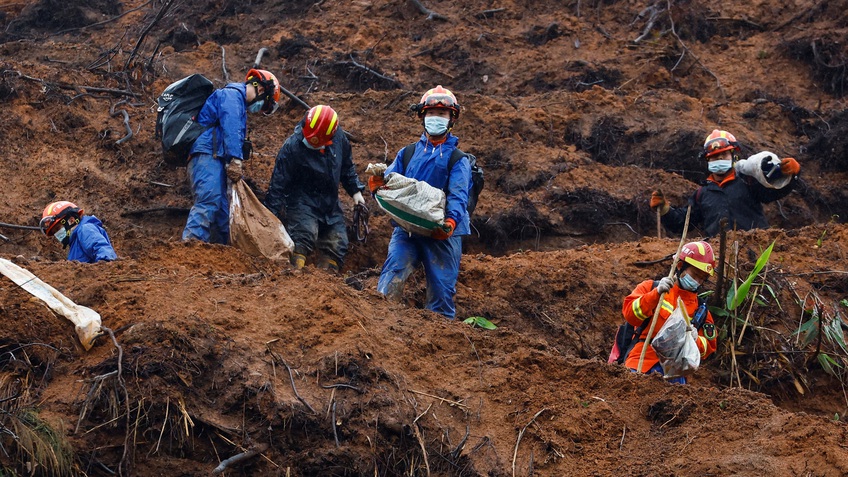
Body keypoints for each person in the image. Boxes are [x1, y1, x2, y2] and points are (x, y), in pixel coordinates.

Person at [371, 85, 472, 319]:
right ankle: (382, 325)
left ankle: (439, 339)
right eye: (431, 113)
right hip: (408, 230)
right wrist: (378, 185)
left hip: (443, 233)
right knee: (392, 276)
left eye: (442, 114)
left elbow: (459, 195)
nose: (436, 118)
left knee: (441, 291)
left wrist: (450, 222)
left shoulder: (458, 159)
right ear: (422, 116)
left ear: (452, 119)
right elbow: (391, 183)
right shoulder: (407, 154)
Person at [182, 69, 281, 244]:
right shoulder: (232, 96)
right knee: (209, 201)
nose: (260, 110)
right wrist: (235, 159)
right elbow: (231, 128)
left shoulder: (238, 104)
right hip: (207, 155)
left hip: (216, 157)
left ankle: (220, 254)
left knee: (222, 213)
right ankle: (190, 247)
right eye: (264, 105)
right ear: (261, 90)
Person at [264, 105, 365, 272]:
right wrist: (269, 220)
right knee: (303, 234)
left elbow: (347, 167)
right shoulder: (292, 147)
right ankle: (294, 274)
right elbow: (277, 185)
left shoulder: (338, 138)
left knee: (338, 243)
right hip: (302, 200)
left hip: (330, 203)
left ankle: (326, 280)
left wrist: (355, 191)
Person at [651, 129, 801, 237]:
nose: (719, 159)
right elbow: (683, 223)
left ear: (733, 156)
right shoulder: (702, 194)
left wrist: (791, 175)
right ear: (708, 160)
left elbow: (772, 192)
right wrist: (665, 210)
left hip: (754, 250)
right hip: (720, 258)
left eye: (724, 154)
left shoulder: (747, 181)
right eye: (715, 156)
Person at [621, 241, 718, 384]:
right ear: (680, 266)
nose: (697, 281)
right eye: (695, 274)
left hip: (675, 374)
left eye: (702, 278)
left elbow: (708, 348)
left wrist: (695, 339)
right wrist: (655, 295)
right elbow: (630, 315)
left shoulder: (701, 310)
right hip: (641, 363)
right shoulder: (650, 287)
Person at [39, 201, 117, 263]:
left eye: (58, 228)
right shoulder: (74, 243)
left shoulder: (85, 230)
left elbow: (105, 255)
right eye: (54, 232)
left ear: (71, 220)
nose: (57, 233)